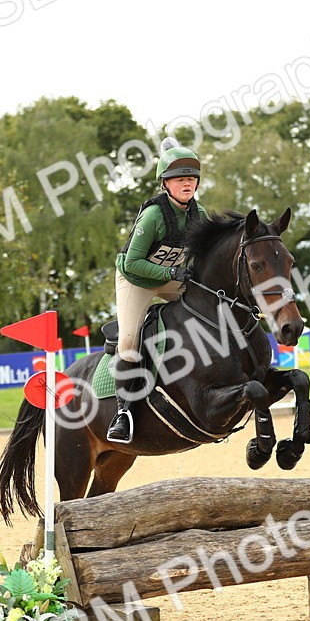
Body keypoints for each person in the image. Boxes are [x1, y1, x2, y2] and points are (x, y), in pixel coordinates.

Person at [106, 138, 210, 443]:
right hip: (135, 280)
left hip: (171, 277)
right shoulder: (153, 215)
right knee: (127, 341)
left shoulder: (198, 213)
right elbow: (133, 262)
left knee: (207, 308)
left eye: (191, 178)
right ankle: (123, 413)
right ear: (165, 184)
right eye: (180, 179)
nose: (187, 184)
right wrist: (171, 272)